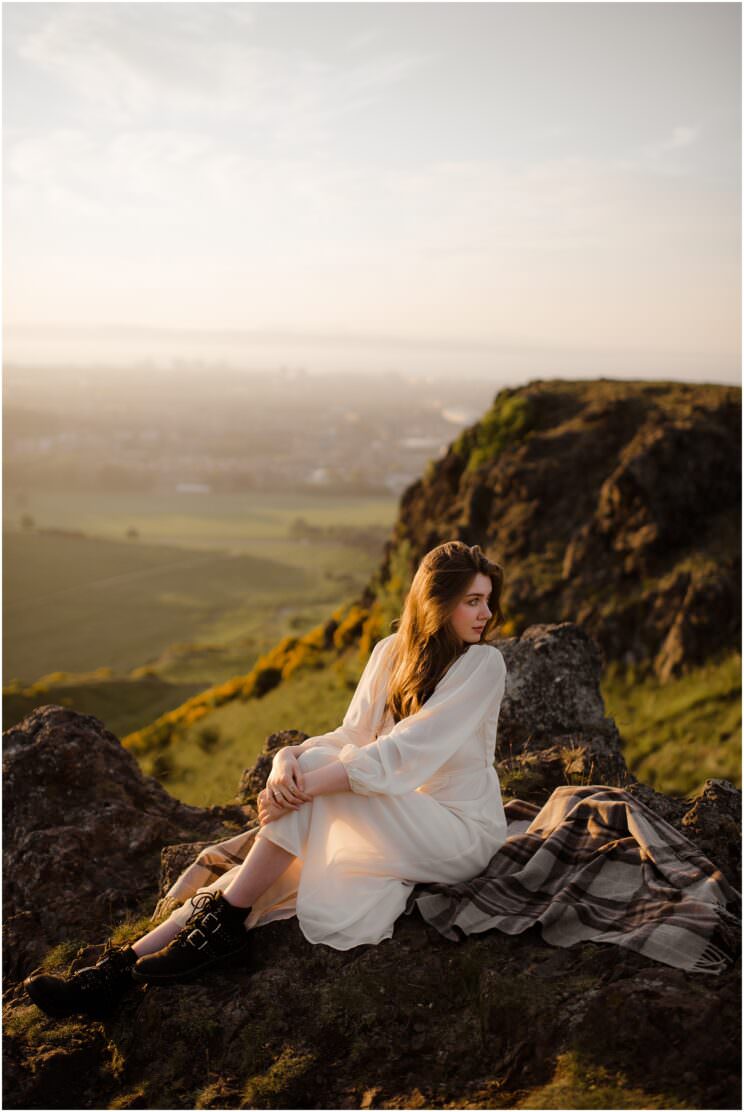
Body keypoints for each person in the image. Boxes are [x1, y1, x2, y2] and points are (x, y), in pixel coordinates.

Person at [24, 540, 509, 1019]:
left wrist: (302, 788)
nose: (486, 613)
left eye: (487, 600)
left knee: (316, 787)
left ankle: (223, 925)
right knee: (274, 853)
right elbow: (351, 735)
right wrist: (284, 762)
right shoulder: (390, 653)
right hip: (398, 817)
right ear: (435, 603)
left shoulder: (483, 664)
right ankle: (120, 970)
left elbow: (403, 753)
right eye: (472, 601)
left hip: (457, 832)